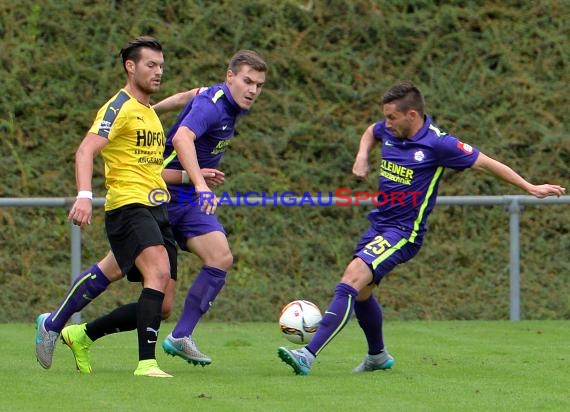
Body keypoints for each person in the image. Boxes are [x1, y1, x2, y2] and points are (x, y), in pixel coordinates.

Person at [277, 81, 566, 376]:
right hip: (378, 226)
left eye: (392, 117)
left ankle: (307, 355)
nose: (386, 124)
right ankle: (377, 356)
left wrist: (530, 187)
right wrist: (361, 156)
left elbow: (486, 163)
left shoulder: (439, 144)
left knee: (351, 278)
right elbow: (371, 132)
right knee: (362, 294)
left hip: (404, 233)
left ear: (412, 115)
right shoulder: (388, 131)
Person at [35, 50, 267, 374]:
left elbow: (189, 95)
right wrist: (199, 182)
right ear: (230, 77)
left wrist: (150, 110)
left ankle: (79, 332)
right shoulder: (212, 105)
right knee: (125, 269)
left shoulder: (220, 101)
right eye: (247, 81)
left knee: (163, 300)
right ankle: (141, 350)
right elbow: (184, 136)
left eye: (258, 84)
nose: (253, 89)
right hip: (161, 194)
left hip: (176, 192)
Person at [52, 36, 176, 378]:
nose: (158, 72)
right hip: (128, 205)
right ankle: (146, 364)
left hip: (156, 207)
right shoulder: (117, 107)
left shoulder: (149, 112)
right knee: (158, 273)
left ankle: (73, 331)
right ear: (130, 66)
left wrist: (192, 176)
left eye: (162, 66)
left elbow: (150, 166)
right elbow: (85, 150)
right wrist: (83, 195)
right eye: (151, 65)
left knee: (159, 300)